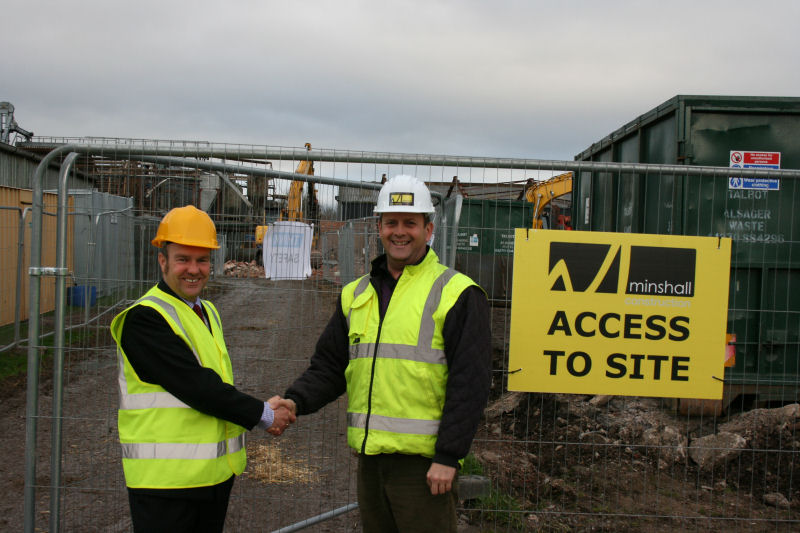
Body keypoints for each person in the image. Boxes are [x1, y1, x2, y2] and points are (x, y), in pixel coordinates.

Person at [274, 175, 492, 533]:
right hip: (371, 461)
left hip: (423, 468)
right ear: (378, 227)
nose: (400, 232)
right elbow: (329, 366)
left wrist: (449, 456)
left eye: (410, 223)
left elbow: (470, 383)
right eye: (391, 222)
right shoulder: (357, 294)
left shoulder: (457, 294)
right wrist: (295, 401)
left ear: (428, 228)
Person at [110, 205, 295, 533]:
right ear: (163, 260)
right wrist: (264, 414)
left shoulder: (206, 310)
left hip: (211, 476)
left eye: (202, 259)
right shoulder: (144, 319)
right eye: (183, 259)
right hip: (165, 485)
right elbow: (198, 387)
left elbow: (213, 384)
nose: (193, 269)